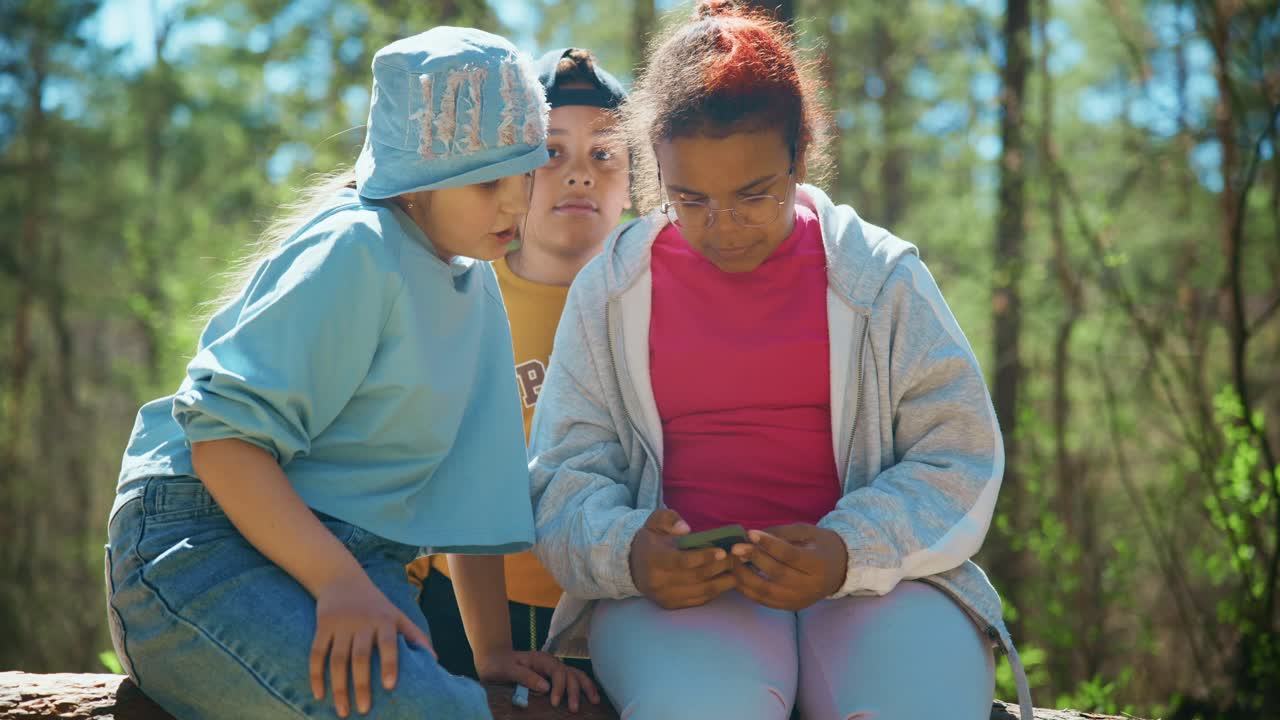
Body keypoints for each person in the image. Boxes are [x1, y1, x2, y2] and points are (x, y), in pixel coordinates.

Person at [526, 2, 1036, 719]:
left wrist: (846, 551)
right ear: (657, 172)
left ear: (799, 157)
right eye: (689, 198)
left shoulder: (879, 278)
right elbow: (562, 478)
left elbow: (959, 457)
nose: (722, 225)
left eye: (753, 194)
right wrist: (628, 555)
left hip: (884, 592)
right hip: (677, 605)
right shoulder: (611, 290)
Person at [104, 27, 552, 719]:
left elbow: (472, 492)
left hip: (354, 567)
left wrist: (490, 656)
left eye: (526, 170)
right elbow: (224, 441)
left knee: (473, 705)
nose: (517, 202)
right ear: (414, 181)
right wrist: (339, 581)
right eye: (488, 180)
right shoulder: (358, 247)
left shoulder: (477, 288)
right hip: (202, 546)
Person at [407, 46, 630, 712]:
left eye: (604, 154)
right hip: (458, 596)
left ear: (634, 179)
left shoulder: (657, 298)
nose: (580, 175)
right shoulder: (460, 293)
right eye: (552, 152)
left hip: (611, 597)